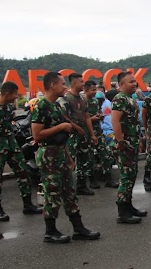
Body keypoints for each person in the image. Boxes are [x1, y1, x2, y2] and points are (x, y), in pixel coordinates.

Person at [31, 72, 100, 244]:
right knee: (52, 194)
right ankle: (50, 231)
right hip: (48, 155)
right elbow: (37, 135)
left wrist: (69, 157)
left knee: (70, 192)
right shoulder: (41, 106)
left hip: (60, 153)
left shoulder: (55, 106)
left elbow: (63, 136)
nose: (65, 87)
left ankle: (78, 228)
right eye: (62, 84)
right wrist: (62, 126)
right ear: (53, 85)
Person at [0, 81, 42, 221]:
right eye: (15, 94)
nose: (16, 97)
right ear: (7, 93)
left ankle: (28, 205)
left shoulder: (9, 108)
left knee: (23, 174)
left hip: (13, 146)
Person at [111, 71, 147, 224]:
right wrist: (121, 142)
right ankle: (122, 212)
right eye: (131, 82)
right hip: (124, 144)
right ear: (121, 84)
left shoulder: (129, 99)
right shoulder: (119, 99)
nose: (134, 84)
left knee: (132, 175)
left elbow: (133, 123)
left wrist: (138, 140)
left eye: (135, 81)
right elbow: (115, 121)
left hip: (131, 142)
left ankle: (129, 205)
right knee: (126, 177)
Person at [57, 73, 97, 195]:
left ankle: (81, 186)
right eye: (81, 82)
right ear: (74, 83)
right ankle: (64, 187)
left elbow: (87, 117)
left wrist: (92, 134)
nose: (83, 84)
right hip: (71, 135)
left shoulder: (83, 99)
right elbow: (64, 117)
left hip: (83, 134)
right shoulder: (65, 99)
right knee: (67, 161)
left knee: (84, 160)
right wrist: (77, 127)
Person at [85, 80, 117, 188]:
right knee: (89, 158)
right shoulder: (82, 103)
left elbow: (99, 113)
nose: (95, 92)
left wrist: (99, 116)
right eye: (92, 90)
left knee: (106, 155)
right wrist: (91, 119)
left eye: (95, 89)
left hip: (98, 132)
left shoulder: (95, 102)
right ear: (86, 90)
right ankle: (92, 180)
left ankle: (108, 178)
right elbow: (78, 120)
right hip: (87, 134)